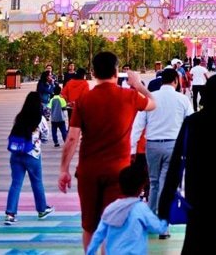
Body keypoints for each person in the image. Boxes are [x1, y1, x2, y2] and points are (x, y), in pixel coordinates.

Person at [58, 52, 156, 251]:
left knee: (89, 225)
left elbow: (72, 138)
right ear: (117, 71)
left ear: (93, 73)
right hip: (118, 172)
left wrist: (64, 169)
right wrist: (137, 84)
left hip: (89, 171)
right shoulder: (129, 96)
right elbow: (153, 103)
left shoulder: (84, 100)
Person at [159, 74, 216, 254]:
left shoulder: (192, 122)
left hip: (197, 197)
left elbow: (176, 162)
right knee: (214, 247)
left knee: (193, 244)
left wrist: (165, 200)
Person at [130, 68, 192, 225]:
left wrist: (131, 148)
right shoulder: (182, 99)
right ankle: (163, 224)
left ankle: (150, 219)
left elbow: (138, 125)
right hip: (173, 147)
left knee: (154, 182)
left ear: (161, 80)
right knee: (167, 184)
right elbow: (191, 124)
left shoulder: (151, 98)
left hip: (152, 146)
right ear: (176, 81)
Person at [87, 160, 168, 255]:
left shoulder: (111, 208)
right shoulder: (141, 208)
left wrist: (90, 252)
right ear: (141, 187)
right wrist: (165, 220)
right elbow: (158, 228)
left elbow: (98, 234)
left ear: (120, 186)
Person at [4, 92, 54, 225]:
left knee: (15, 184)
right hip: (32, 155)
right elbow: (45, 137)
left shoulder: (19, 117)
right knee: (37, 182)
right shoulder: (40, 119)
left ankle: (10, 214)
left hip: (16, 155)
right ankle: (42, 210)